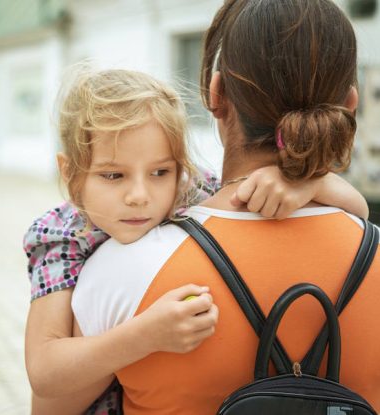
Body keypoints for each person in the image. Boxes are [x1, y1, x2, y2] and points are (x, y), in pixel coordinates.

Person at [70, 1, 380, 414]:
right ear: (350, 103)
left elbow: (52, 404)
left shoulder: (119, 267)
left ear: (215, 94)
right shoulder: (372, 253)